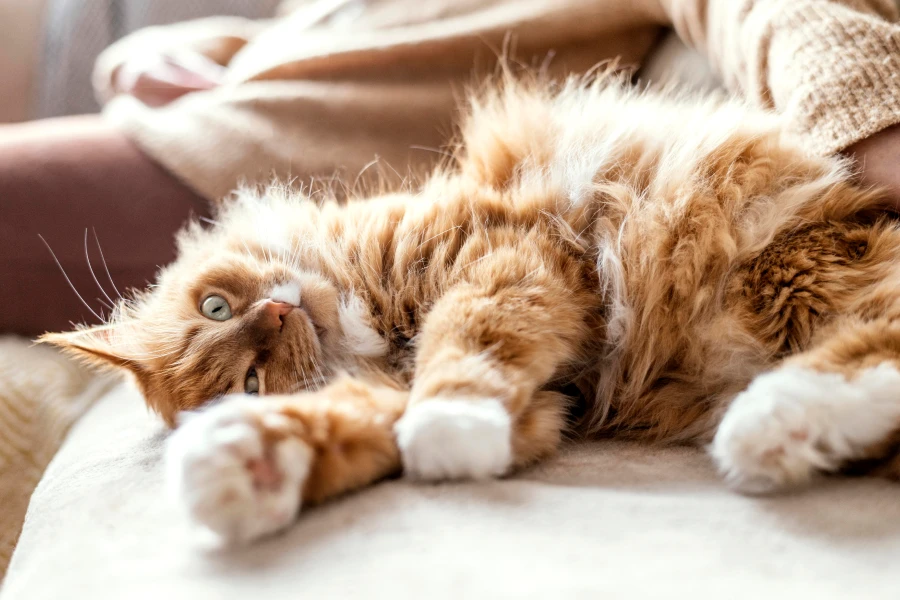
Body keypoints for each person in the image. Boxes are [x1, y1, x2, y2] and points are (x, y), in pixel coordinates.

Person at [3, 0, 900, 336]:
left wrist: (871, 129)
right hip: (226, 106)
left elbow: (776, 8)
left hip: (276, 174)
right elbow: (335, 30)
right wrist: (159, 51)